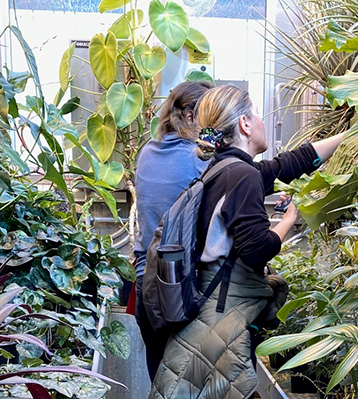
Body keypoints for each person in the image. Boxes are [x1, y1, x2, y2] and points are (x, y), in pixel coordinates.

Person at [149, 85, 344, 399]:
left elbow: (290, 164)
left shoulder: (222, 170)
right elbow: (257, 249)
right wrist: (288, 221)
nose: (262, 121)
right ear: (244, 124)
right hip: (225, 310)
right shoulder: (242, 176)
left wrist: (349, 137)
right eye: (257, 114)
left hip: (209, 307)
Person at [133, 80, 215, 380]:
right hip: (177, 289)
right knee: (189, 384)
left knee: (160, 380)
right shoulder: (197, 160)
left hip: (145, 283)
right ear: (192, 117)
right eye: (211, 116)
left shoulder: (147, 152)